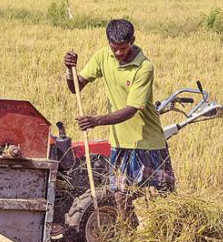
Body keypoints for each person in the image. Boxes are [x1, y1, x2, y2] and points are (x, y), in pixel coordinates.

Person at [63, 19, 174, 220]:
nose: (118, 53)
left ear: (132, 40)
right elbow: (75, 88)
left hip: (147, 141)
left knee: (162, 195)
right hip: (120, 140)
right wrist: (69, 70)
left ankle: (167, 231)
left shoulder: (144, 67)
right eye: (114, 48)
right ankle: (128, 233)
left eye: (123, 48)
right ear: (108, 42)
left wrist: (96, 121)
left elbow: (131, 110)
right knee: (121, 195)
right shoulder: (102, 56)